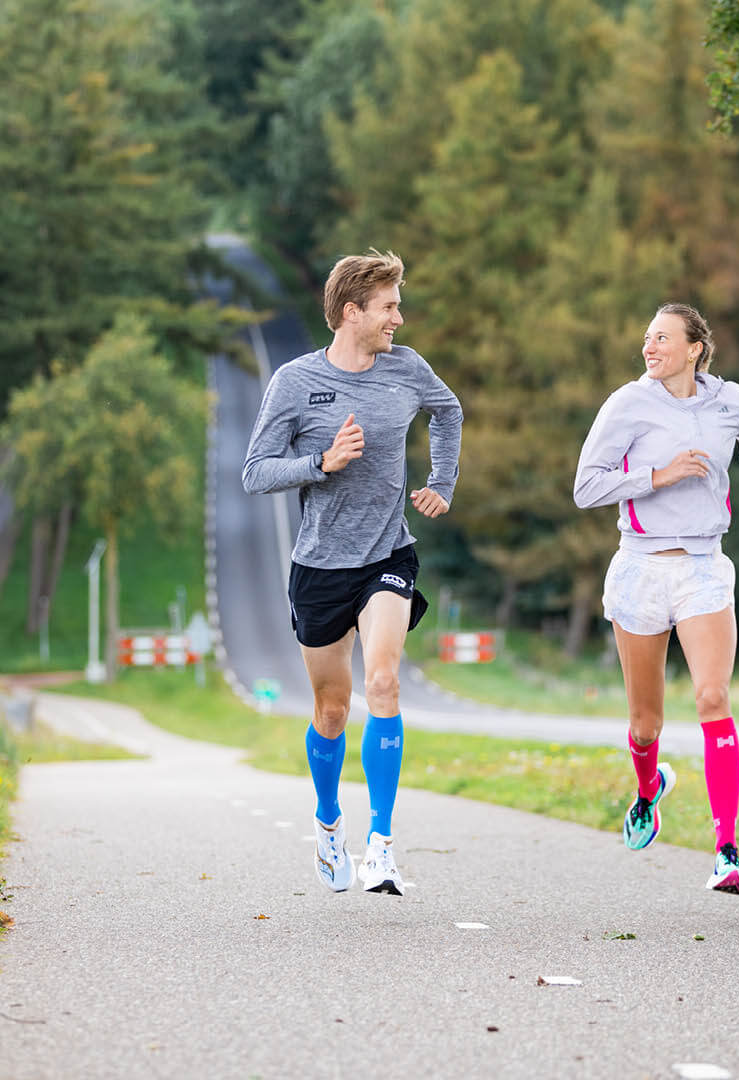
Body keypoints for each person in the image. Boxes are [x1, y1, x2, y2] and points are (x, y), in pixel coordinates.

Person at [242, 250, 462, 896]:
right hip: (319, 566)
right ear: (351, 312)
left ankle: (383, 845)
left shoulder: (407, 370)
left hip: (387, 554)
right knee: (332, 707)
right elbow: (256, 473)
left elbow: (447, 412)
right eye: (389, 306)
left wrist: (441, 480)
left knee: (384, 681)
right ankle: (329, 821)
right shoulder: (293, 383)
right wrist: (322, 462)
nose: (399, 316)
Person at [573, 303, 739, 894]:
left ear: (695, 348)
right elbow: (586, 486)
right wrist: (656, 477)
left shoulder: (730, 400)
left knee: (713, 696)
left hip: (702, 566)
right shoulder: (628, 403)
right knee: (646, 724)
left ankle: (726, 852)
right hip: (640, 569)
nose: (649, 346)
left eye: (662, 338)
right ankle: (647, 789)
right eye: (646, 338)